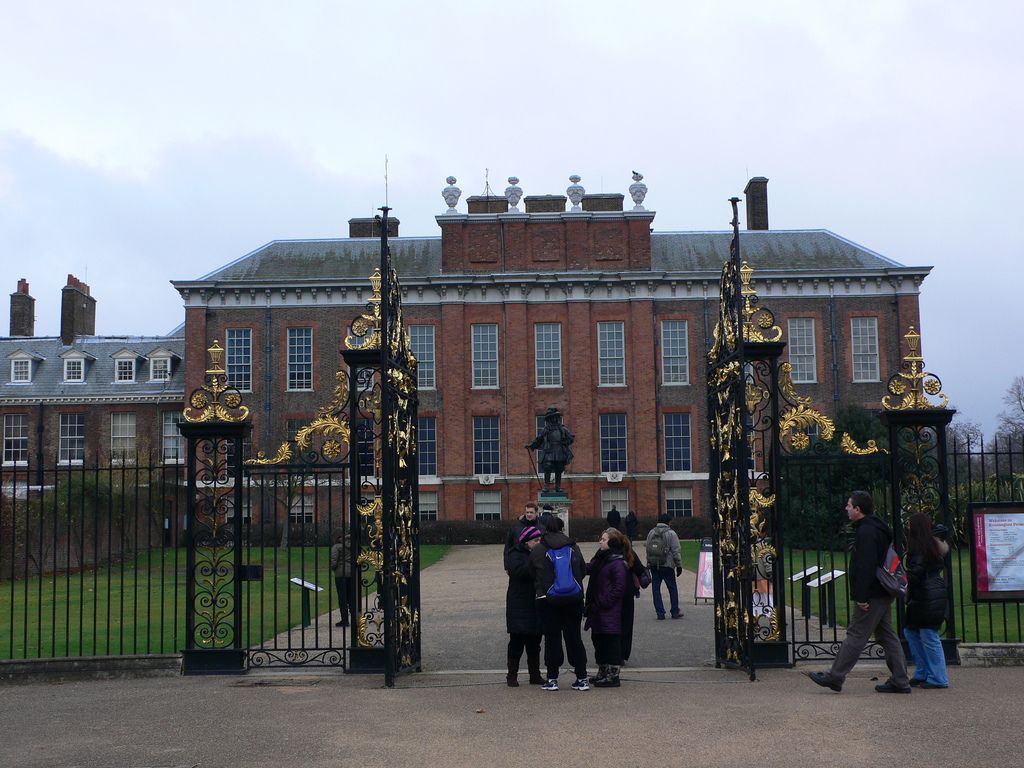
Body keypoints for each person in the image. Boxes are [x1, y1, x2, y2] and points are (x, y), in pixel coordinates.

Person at [808, 490, 911, 694]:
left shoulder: (866, 532)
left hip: (872, 593)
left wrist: (861, 597)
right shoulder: (876, 527)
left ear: (858, 509)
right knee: (887, 635)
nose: (846, 509)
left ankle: (835, 676)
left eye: (849, 505)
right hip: (882, 590)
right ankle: (900, 679)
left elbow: (866, 566)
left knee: (856, 634)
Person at [528, 515, 589, 691]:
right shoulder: (573, 547)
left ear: (544, 529)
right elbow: (583, 571)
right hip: (573, 599)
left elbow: (531, 572)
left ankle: (552, 678)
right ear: (562, 528)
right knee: (574, 638)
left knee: (552, 639)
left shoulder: (539, 549)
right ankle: (582, 677)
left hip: (547, 600)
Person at [904, 512, 950, 689]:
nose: (908, 527)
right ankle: (923, 671)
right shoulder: (928, 546)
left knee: (928, 635)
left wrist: (899, 578)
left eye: (910, 525)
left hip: (927, 595)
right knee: (912, 631)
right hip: (926, 594)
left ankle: (938, 677)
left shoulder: (921, 548)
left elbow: (916, 573)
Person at [584, 528, 630, 687]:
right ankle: (603, 671)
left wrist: (604, 602)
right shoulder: (601, 558)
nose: (600, 542)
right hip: (597, 608)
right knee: (598, 640)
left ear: (611, 542)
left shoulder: (617, 562)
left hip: (609, 610)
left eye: (603, 539)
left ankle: (612, 675)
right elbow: (588, 568)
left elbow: (619, 588)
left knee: (610, 642)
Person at [505, 525, 545, 687]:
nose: (538, 542)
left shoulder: (535, 553)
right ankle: (512, 675)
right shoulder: (514, 554)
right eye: (536, 540)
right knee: (516, 641)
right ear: (527, 541)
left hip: (534, 601)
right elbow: (518, 572)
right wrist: (535, 562)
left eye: (539, 539)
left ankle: (534, 674)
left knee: (534, 642)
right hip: (519, 602)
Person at [527, 407, 574, 492]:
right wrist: (532, 445)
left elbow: (570, 438)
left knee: (559, 468)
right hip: (549, 450)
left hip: (559, 450)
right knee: (547, 466)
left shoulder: (562, 429)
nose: (553, 419)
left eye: (555, 417)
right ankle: (546, 486)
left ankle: (558, 486)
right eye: (551, 418)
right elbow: (539, 439)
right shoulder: (546, 429)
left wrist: (566, 442)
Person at [646, 513, 683, 620]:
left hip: (654, 564)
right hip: (667, 564)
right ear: (668, 522)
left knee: (656, 589)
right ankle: (675, 611)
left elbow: (648, 549)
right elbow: (676, 551)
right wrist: (679, 565)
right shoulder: (671, 533)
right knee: (672, 587)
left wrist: (648, 561)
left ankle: (660, 612)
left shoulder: (651, 532)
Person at [620, 535, 648, 664]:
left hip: (617, 594)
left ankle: (617, 654)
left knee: (613, 625)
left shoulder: (608, 554)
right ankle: (623, 653)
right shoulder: (630, 553)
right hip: (628, 593)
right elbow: (641, 570)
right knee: (626, 625)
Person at [504, 502, 541, 572]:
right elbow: (508, 546)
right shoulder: (515, 526)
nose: (529, 514)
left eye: (531, 512)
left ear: (536, 513)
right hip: (519, 561)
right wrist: (507, 566)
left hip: (537, 563)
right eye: (527, 512)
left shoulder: (541, 527)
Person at [329, 532, 352, 627]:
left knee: (342, 598)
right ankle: (356, 619)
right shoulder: (351, 545)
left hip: (340, 574)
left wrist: (333, 568)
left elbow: (333, 561)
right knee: (351, 597)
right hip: (351, 573)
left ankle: (345, 620)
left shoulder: (336, 547)